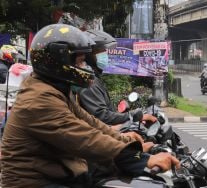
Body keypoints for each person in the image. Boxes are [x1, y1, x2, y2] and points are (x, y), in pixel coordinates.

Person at [1, 24, 179, 188]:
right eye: (79, 61)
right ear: (57, 61)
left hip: (55, 174)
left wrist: (129, 142)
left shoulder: (54, 89)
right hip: (32, 182)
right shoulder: (39, 99)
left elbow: (91, 123)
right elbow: (85, 138)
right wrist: (141, 159)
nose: (83, 66)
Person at [78, 30, 157, 128]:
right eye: (100, 51)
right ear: (89, 55)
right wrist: (131, 115)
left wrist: (123, 115)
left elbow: (106, 112)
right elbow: (102, 116)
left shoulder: (95, 79)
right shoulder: (89, 83)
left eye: (105, 51)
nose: (105, 55)